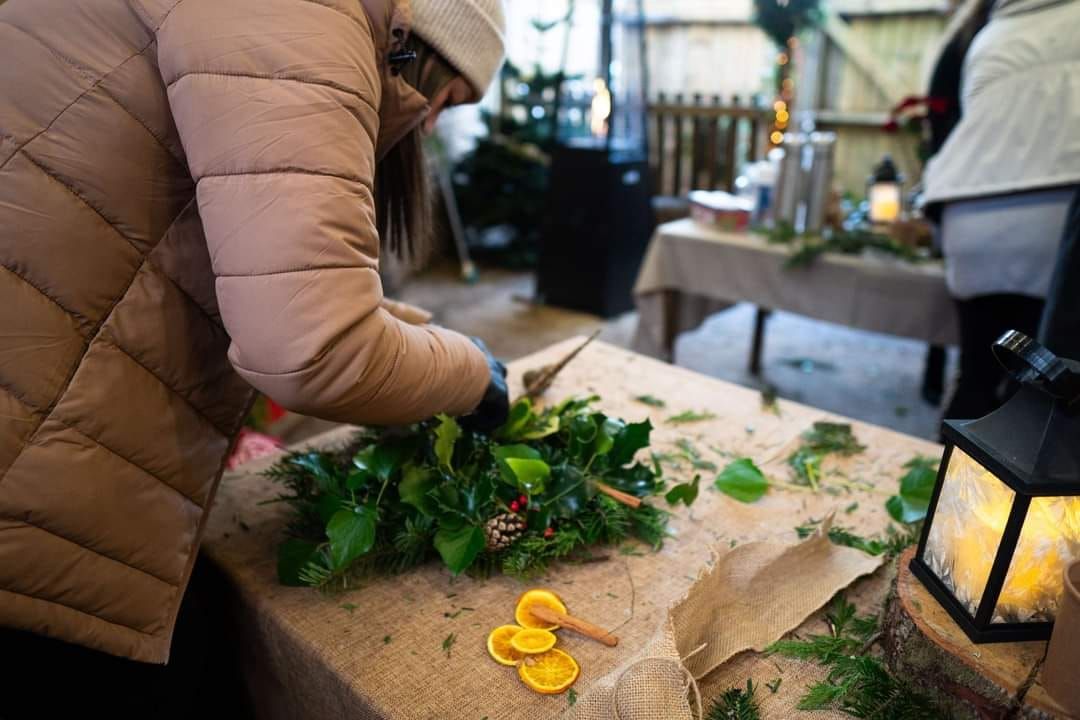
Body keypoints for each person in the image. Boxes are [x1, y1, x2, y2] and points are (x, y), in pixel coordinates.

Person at [0, 0, 507, 712]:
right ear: (419, 46)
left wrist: (417, 335)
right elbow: (315, 348)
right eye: (444, 100)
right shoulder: (296, 12)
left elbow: (259, 265)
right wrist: (471, 371)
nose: (426, 125)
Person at [922, 0, 1080, 422]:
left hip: (970, 210)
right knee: (1040, 394)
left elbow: (947, 122)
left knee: (976, 374)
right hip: (1059, 210)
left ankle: (948, 484)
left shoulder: (985, 28)